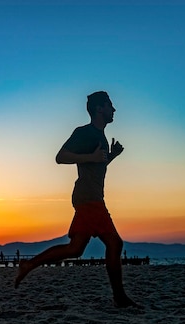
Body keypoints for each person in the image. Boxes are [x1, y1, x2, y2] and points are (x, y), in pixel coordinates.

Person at [15, 91, 139, 308]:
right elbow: (60, 157)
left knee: (75, 249)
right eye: (110, 106)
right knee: (114, 243)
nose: (114, 110)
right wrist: (90, 157)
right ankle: (119, 298)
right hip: (89, 198)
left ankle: (29, 264)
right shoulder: (85, 133)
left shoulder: (99, 136)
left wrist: (111, 157)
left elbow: (95, 166)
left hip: (89, 196)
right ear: (99, 109)